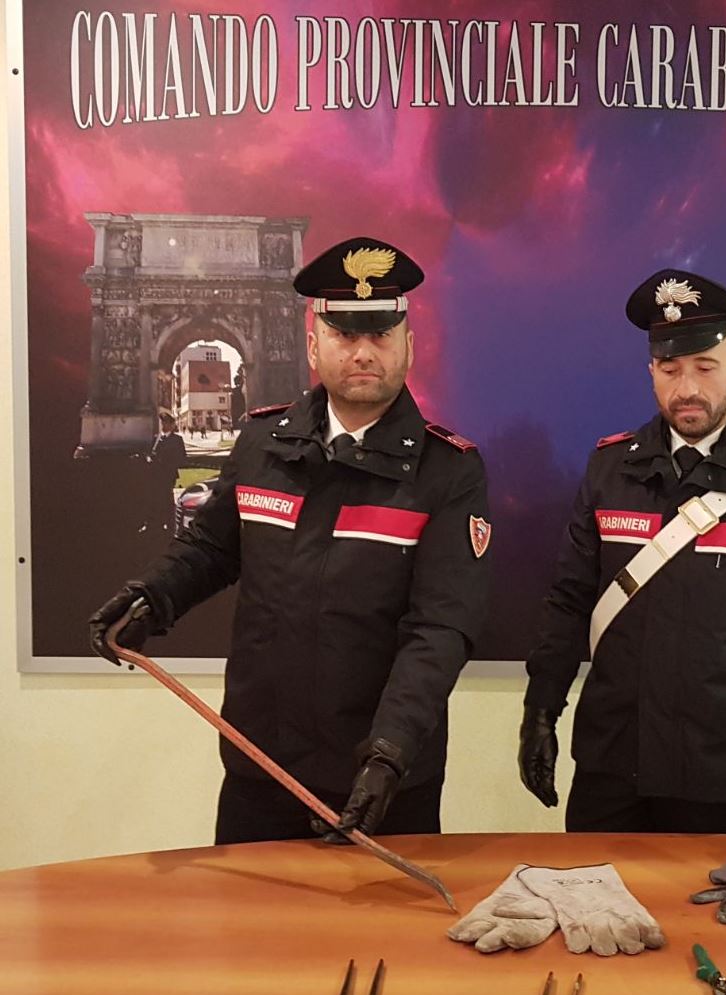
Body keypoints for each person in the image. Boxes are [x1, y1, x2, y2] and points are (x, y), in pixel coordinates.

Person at [89, 237, 492, 844]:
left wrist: (391, 750)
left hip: (381, 779)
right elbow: (211, 548)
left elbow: (440, 628)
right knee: (251, 911)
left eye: (381, 335)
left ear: (408, 344)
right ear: (312, 344)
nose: (363, 352)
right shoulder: (260, 443)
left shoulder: (449, 471)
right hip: (260, 768)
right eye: (343, 335)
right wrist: (152, 595)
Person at [519, 268, 726, 833]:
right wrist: (541, 710)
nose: (687, 388)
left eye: (705, 367)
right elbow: (569, 603)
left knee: (713, 897)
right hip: (610, 765)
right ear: (651, 372)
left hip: (723, 774)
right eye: (670, 369)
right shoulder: (610, 470)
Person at [142, 411, 187, 534]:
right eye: (162, 422)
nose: (163, 425)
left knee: (167, 499)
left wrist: (167, 463)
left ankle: (170, 524)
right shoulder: (156, 439)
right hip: (155, 475)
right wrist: (149, 459)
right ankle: (154, 523)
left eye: (166, 422)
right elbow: (150, 453)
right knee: (154, 498)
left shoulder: (177, 440)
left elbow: (182, 458)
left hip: (168, 475)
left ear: (171, 425)